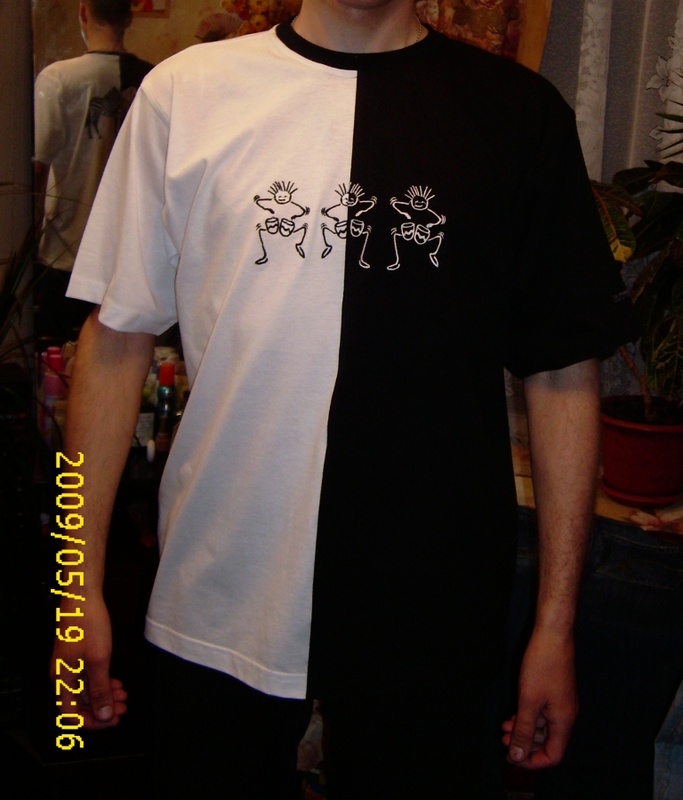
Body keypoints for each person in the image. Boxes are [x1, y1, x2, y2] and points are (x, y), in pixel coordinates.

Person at [52, 1, 639, 796]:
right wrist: (73, 589)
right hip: (217, 584)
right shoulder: (185, 94)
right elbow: (115, 341)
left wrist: (554, 627)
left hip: (433, 600)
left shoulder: (515, 113)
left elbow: (561, 372)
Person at [33, 0, 153, 341]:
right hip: (129, 253)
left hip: (65, 248)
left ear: (83, 12)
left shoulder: (58, 78)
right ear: (129, 17)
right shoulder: (153, 79)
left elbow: (38, 168)